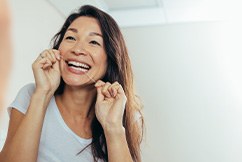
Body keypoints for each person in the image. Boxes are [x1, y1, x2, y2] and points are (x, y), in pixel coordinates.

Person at [0, 5, 144, 162]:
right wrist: (43, 94)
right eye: (70, 38)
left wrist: (113, 127)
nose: (78, 49)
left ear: (111, 58)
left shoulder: (126, 116)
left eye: (94, 42)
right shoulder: (31, 94)